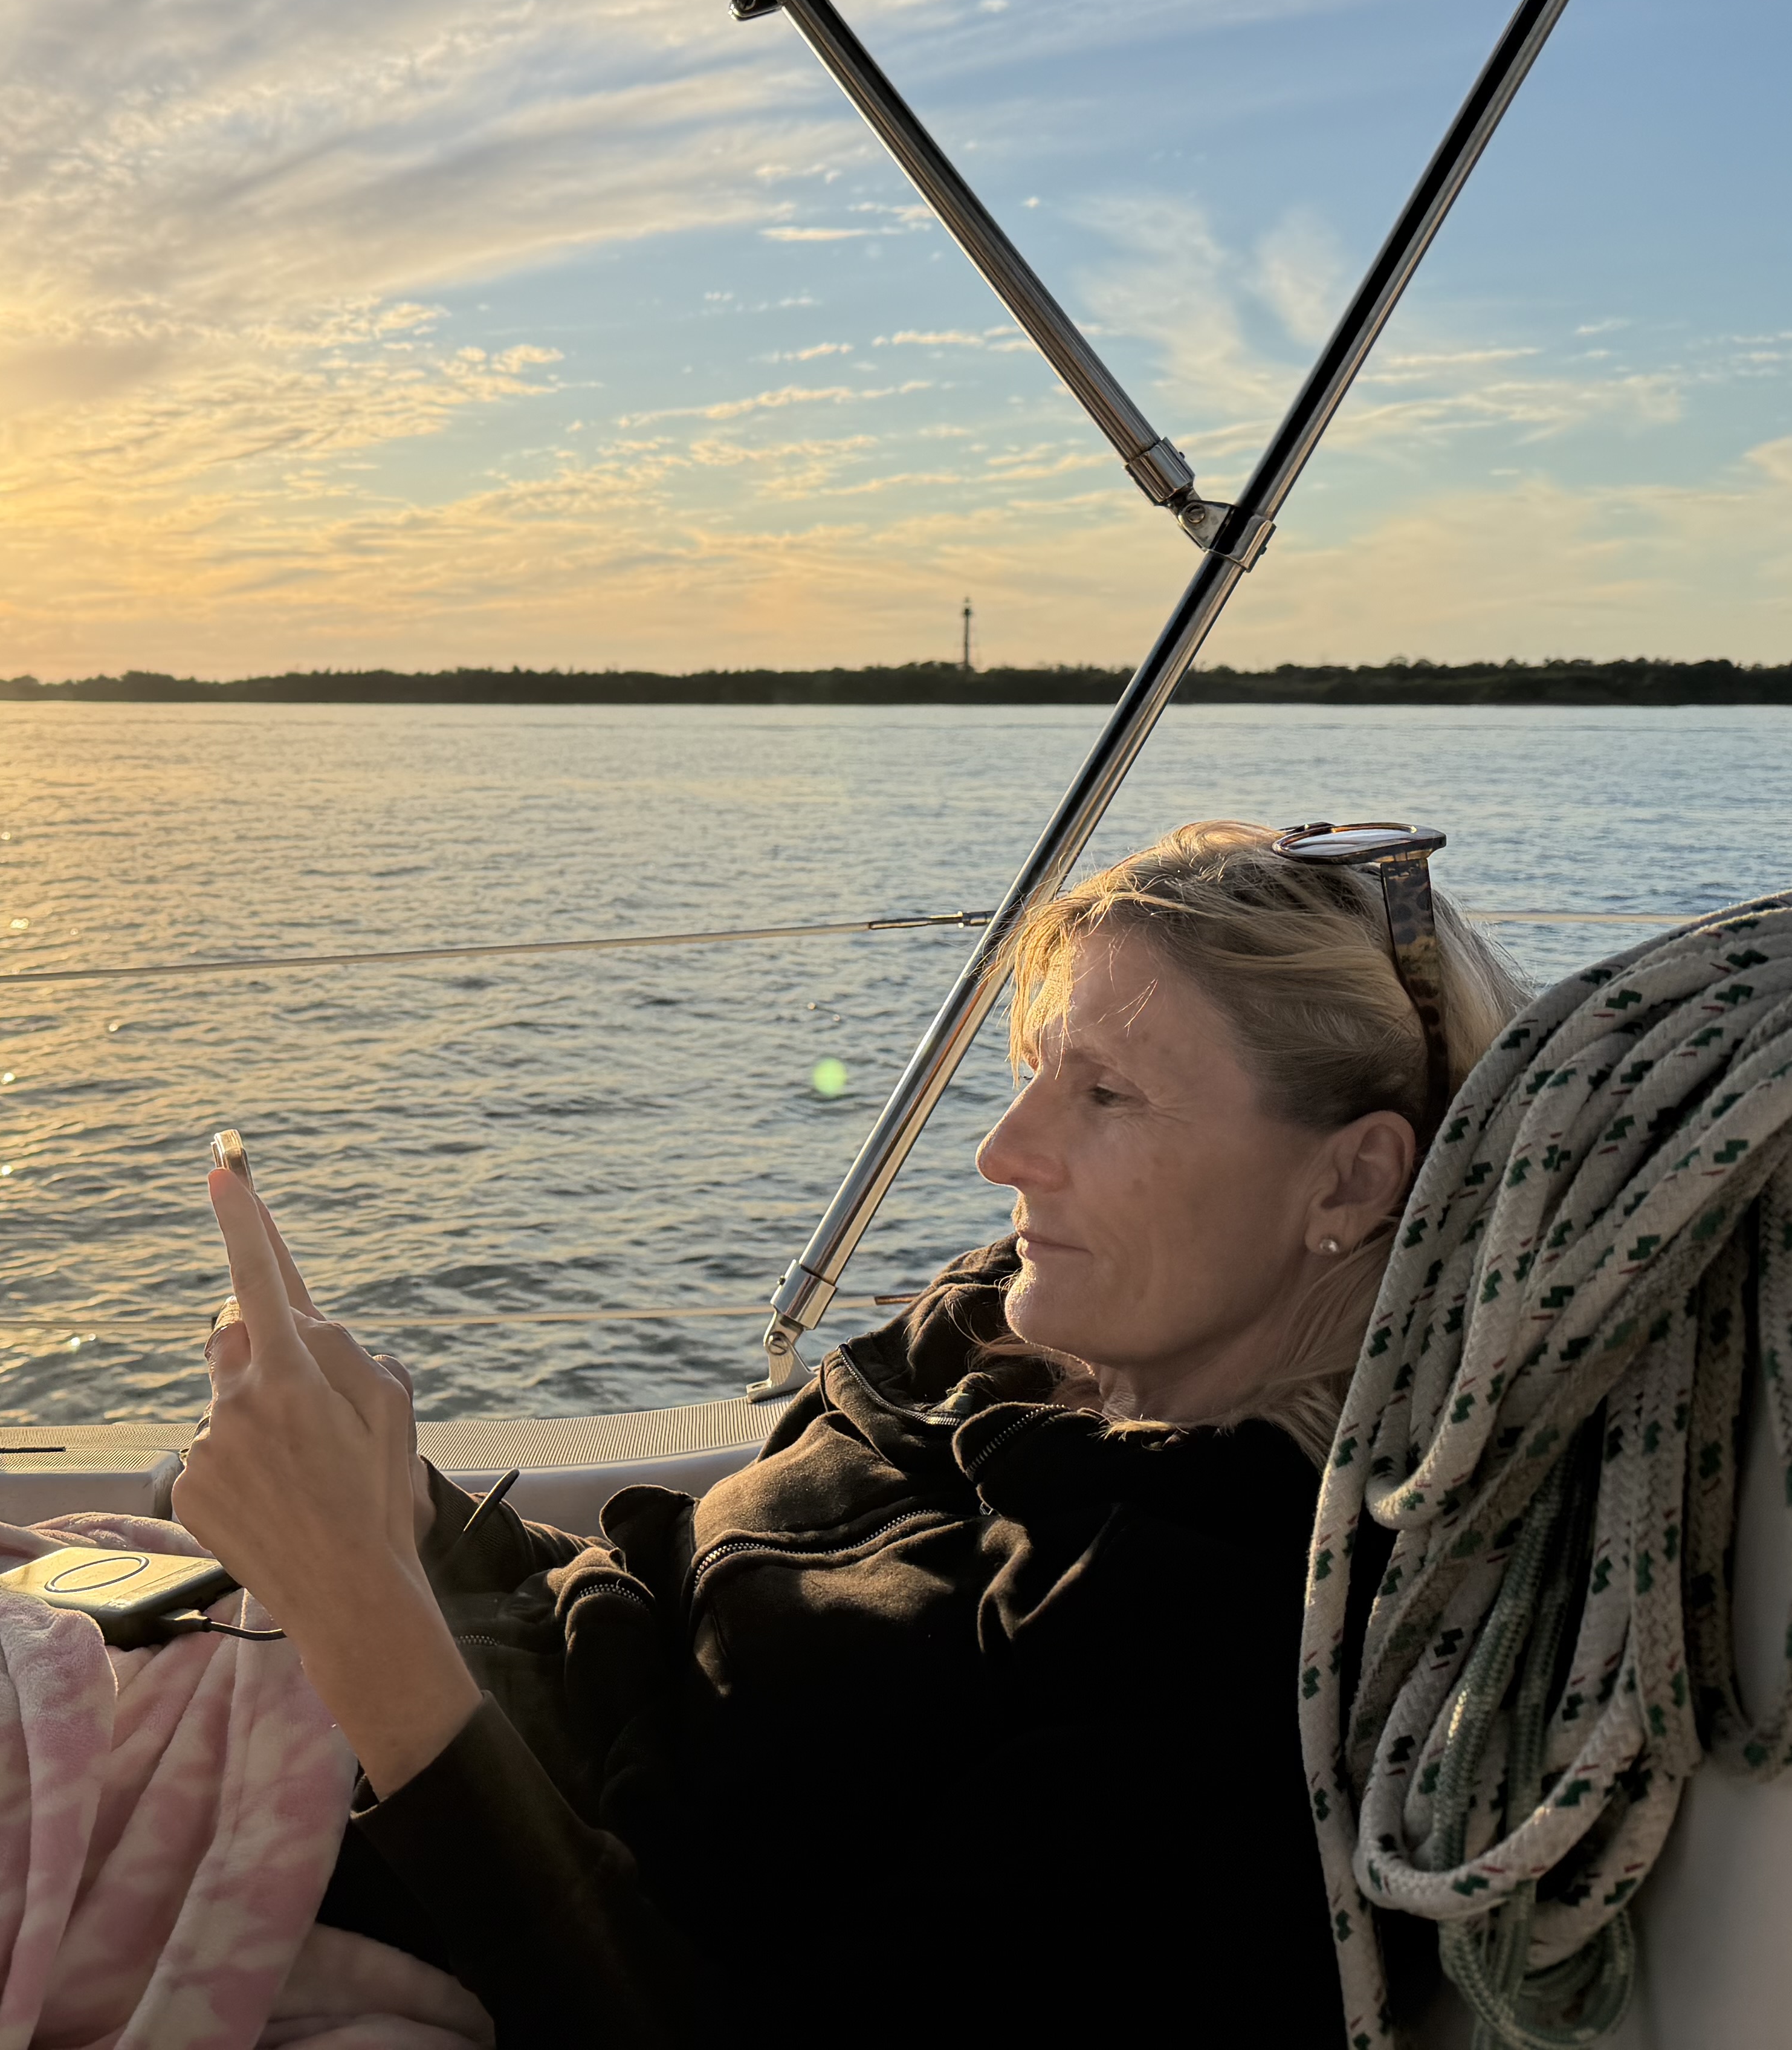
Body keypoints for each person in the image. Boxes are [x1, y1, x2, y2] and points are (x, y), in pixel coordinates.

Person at [172, 819, 1531, 2046]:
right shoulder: (999, 1331)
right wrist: (402, 1516)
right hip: (282, 1692)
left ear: (1349, 1178)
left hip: (316, 1848)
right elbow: (661, 1600)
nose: (1003, 1153)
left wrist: (359, 1610)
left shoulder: (1208, 1653)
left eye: (1105, 1096)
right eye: (1037, 1071)